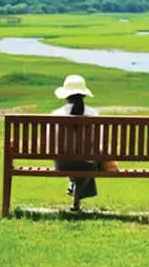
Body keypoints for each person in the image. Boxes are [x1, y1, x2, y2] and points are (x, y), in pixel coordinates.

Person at [53, 74, 99, 211]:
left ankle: (74, 189)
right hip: (86, 163)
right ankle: (75, 191)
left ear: (66, 96)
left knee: (79, 162)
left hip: (62, 163)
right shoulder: (93, 114)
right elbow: (99, 142)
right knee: (88, 163)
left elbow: (51, 141)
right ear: (84, 95)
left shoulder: (57, 114)